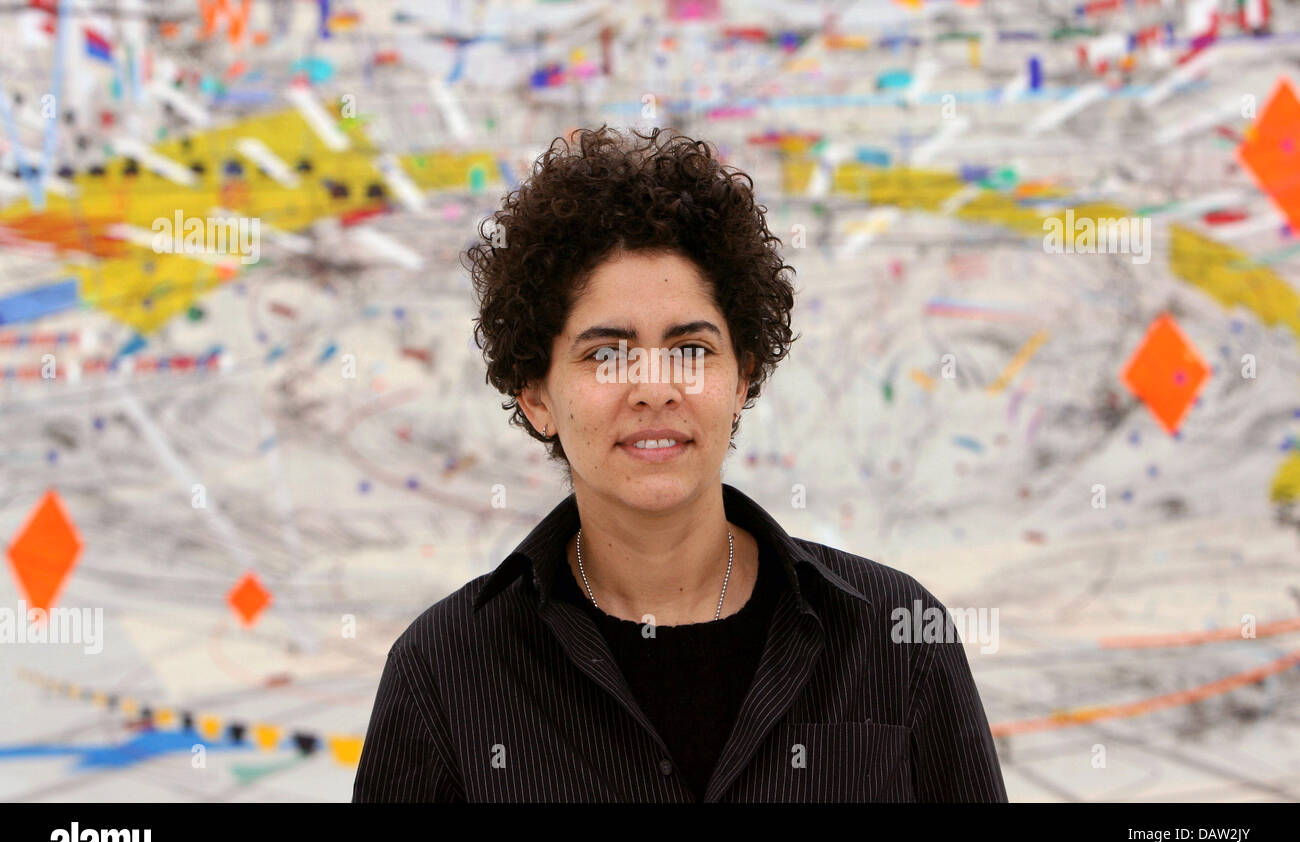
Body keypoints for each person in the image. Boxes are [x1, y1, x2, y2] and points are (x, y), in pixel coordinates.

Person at [352, 125, 1007, 802]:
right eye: (606, 353)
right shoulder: (443, 674)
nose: (655, 386)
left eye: (691, 348)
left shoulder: (897, 643)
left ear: (743, 376)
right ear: (536, 394)